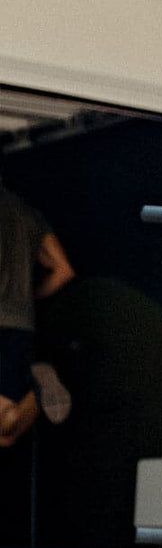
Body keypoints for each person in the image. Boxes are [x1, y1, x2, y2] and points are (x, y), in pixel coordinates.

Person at [0, 181, 75, 447]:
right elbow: (63, 270)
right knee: (5, 436)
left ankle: (37, 386)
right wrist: (27, 301)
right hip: (19, 324)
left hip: (12, 325)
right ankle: (37, 388)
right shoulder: (27, 213)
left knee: (6, 428)